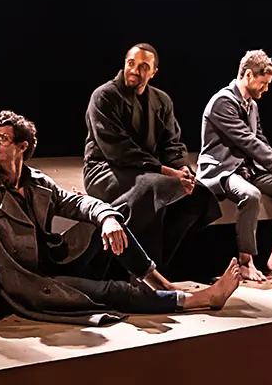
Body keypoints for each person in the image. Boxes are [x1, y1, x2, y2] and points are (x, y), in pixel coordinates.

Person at [0, 111, 242, 332]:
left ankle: (159, 282)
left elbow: (79, 203)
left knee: (112, 219)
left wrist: (108, 217)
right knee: (109, 291)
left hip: (55, 261)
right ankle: (198, 301)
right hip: (29, 282)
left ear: (22, 147)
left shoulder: (39, 184)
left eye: (3, 139)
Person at [82, 43, 220, 270]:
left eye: (143, 66)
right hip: (106, 170)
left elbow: (171, 144)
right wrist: (166, 171)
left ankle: (157, 268)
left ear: (153, 72)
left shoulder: (161, 100)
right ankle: (142, 276)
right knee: (155, 187)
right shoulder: (104, 96)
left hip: (147, 170)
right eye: (131, 63)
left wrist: (183, 169)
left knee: (197, 194)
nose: (135, 70)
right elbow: (118, 150)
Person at [197, 50, 272, 282]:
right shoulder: (222, 102)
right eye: (263, 83)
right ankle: (245, 262)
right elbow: (247, 142)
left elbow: (261, 141)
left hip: (250, 170)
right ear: (248, 75)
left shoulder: (251, 104)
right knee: (251, 196)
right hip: (223, 169)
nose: (266, 89)